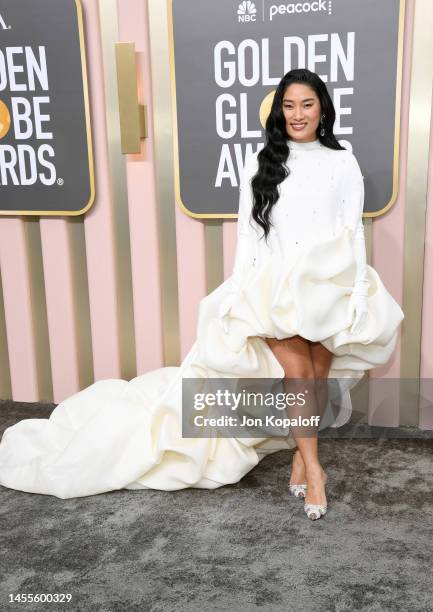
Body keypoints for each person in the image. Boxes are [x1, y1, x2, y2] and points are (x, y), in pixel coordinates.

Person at [0, 69, 404, 520]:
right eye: (288, 106)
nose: (297, 114)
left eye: (306, 105)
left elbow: (352, 230)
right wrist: (238, 288)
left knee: (316, 379)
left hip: (330, 284)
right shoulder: (261, 160)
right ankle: (314, 469)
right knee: (295, 370)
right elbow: (249, 235)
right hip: (274, 286)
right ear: (278, 111)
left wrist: (358, 294)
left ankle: (298, 454)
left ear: (323, 108)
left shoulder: (342, 160)